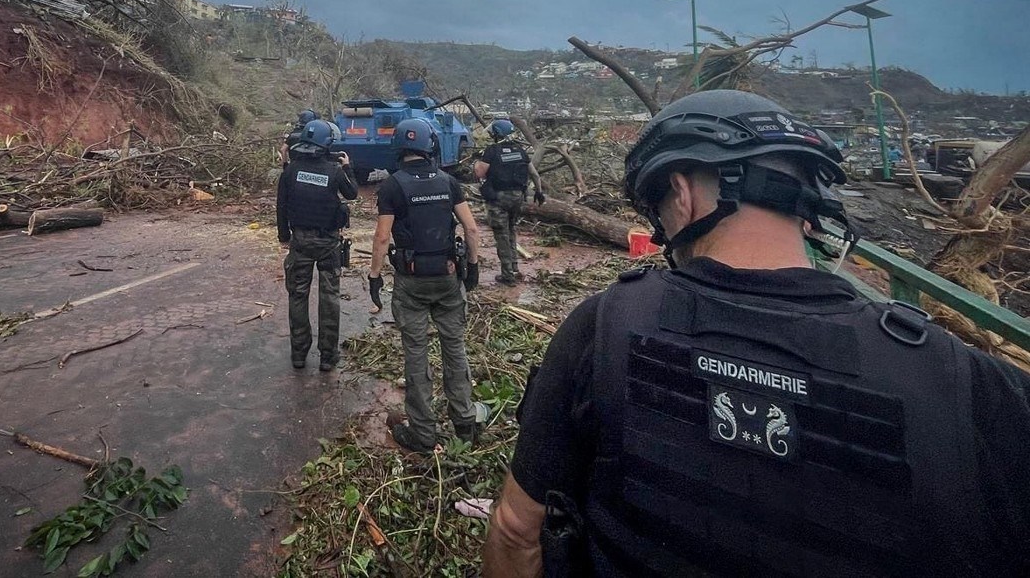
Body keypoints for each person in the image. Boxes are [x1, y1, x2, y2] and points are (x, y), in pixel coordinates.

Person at [482, 90, 1030, 577]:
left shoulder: (604, 326)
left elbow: (515, 531)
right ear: (809, 207)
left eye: (657, 211)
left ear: (681, 193)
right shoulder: (962, 378)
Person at [369, 117, 483, 452]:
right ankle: (464, 423)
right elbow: (472, 230)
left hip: (412, 282)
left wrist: (374, 277)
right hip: (448, 278)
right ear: (429, 145)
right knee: (455, 348)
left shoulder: (392, 186)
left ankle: (422, 432)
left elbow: (380, 238)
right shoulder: (448, 182)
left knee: (416, 355)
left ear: (400, 149)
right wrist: (472, 268)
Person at [277, 118, 357, 371]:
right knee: (329, 297)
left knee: (298, 295)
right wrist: (348, 168)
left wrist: (284, 236)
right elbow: (352, 193)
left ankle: (299, 354)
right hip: (328, 243)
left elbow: (281, 206)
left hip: (299, 241)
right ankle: (327, 356)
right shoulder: (334, 171)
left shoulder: (290, 170)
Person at [473, 118, 545, 284]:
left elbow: (479, 173)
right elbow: (534, 174)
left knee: (501, 235)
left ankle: (508, 275)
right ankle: (514, 267)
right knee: (511, 230)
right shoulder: (520, 151)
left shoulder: (492, 151)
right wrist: (539, 192)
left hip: (498, 198)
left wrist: (477, 161)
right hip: (518, 197)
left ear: (496, 134)